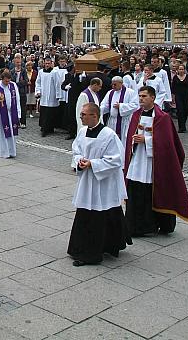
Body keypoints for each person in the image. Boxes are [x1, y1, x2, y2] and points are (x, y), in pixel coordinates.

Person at [123, 86, 188, 237]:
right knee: (135, 191)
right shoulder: (136, 115)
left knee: (153, 191)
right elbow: (130, 135)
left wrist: (147, 140)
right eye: (139, 96)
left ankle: (155, 224)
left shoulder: (163, 117)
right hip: (137, 160)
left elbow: (167, 143)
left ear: (153, 98)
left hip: (154, 163)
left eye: (144, 96)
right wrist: (134, 141)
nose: (141, 99)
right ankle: (135, 226)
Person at [68, 102, 131, 266]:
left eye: (84, 114)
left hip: (103, 182)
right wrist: (79, 161)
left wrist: (93, 164)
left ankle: (93, 252)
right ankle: (79, 247)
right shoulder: (82, 132)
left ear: (94, 116)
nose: (81, 116)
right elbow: (76, 150)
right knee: (85, 211)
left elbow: (117, 159)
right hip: (88, 180)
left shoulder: (108, 135)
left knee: (100, 213)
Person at [0, 70, 20, 159]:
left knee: (11, 133)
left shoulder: (13, 86)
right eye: (6, 81)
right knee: (1, 134)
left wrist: (18, 113)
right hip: (0, 114)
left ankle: (10, 151)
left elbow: (17, 99)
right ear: (2, 79)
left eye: (9, 81)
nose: (7, 83)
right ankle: (1, 151)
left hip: (10, 113)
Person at [100, 76, 139, 148]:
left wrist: (121, 106)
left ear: (121, 83)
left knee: (123, 141)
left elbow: (135, 105)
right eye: (112, 84)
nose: (113, 86)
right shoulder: (110, 93)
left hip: (124, 121)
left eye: (115, 84)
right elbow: (105, 105)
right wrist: (100, 109)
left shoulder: (130, 92)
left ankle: (124, 156)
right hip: (112, 121)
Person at [35, 57, 59, 137]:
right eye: (46, 63)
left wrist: (58, 95)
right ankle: (44, 128)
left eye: (49, 63)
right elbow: (38, 82)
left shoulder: (54, 72)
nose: (47, 65)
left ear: (51, 63)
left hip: (52, 95)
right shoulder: (41, 72)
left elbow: (57, 84)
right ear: (44, 63)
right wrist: (38, 91)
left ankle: (50, 128)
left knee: (51, 112)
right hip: (43, 95)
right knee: (44, 112)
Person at [171, 64, 188, 132]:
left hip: (186, 96)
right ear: (177, 70)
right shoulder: (175, 77)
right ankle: (181, 127)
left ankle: (183, 124)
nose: (181, 70)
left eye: (182, 69)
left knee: (185, 110)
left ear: (184, 70)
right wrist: (173, 97)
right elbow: (173, 88)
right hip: (178, 96)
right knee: (180, 111)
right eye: (180, 69)